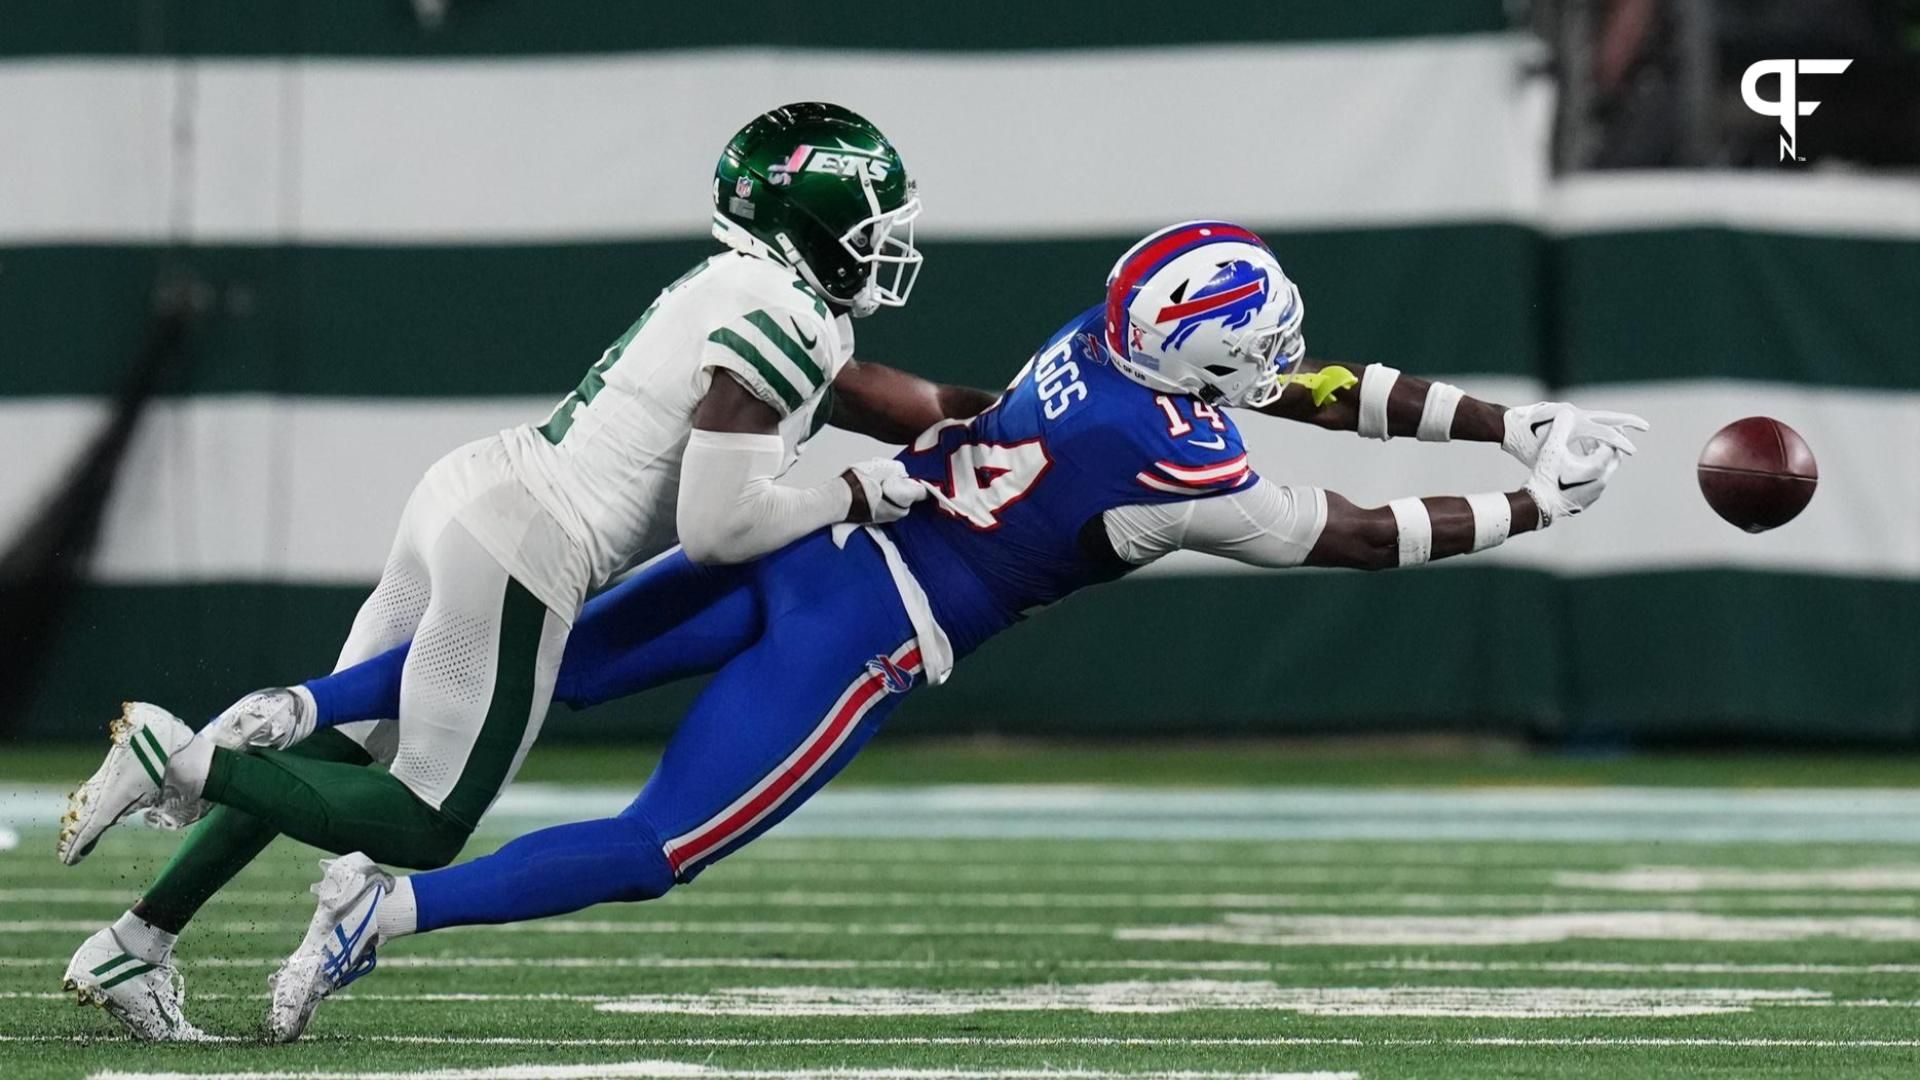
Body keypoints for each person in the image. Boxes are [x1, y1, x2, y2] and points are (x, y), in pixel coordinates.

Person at [253, 220, 1644, 1041]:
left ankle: (280, 719)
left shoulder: (1103, 336)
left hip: (817, 535)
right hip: (864, 636)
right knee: (653, 846)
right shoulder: (1176, 467)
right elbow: (1355, 532)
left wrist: (1514, 419)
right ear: (1196, 354)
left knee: (546, 660)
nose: (1281, 367)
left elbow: (1307, 388)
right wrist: (1535, 504)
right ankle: (389, 905)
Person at [53, 101, 997, 1041]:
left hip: (475, 492)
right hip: (529, 541)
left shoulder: (756, 295)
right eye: (870, 227)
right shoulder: (780, 320)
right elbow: (717, 532)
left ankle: (137, 940)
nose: (884, 246)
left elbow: (890, 399)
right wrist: (855, 497)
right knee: (422, 825)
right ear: (814, 228)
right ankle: (174, 757)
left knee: (340, 753)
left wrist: (1015, 420)